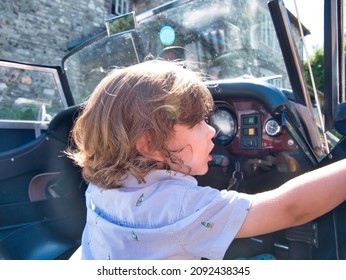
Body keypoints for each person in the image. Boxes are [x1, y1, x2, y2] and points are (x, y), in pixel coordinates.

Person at [67, 59, 346, 260]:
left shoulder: (101, 185)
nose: (212, 130)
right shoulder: (180, 208)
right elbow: (292, 208)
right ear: (150, 143)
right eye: (198, 122)